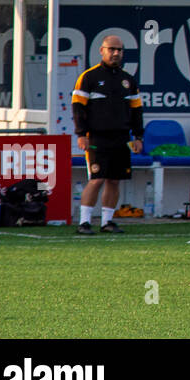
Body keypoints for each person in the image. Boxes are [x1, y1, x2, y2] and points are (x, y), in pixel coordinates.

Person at [72, 35, 144, 235]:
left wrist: (138, 136)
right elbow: (78, 108)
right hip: (96, 137)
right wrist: (81, 134)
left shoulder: (128, 80)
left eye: (119, 50)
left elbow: (137, 110)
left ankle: (107, 222)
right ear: (101, 50)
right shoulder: (89, 77)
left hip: (121, 137)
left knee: (114, 180)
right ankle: (84, 222)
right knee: (97, 178)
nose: (115, 53)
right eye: (111, 49)